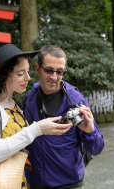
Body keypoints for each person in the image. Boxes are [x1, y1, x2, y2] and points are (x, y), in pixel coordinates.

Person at [0, 44, 72, 189]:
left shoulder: (14, 105)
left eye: (27, 71)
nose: (28, 77)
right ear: (3, 75)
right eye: (20, 73)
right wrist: (37, 129)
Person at [22, 45, 105, 189]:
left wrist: (89, 132)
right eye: (48, 70)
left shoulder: (75, 99)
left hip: (68, 184)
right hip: (34, 182)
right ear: (37, 68)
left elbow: (97, 148)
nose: (54, 77)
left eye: (60, 72)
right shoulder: (29, 97)